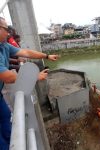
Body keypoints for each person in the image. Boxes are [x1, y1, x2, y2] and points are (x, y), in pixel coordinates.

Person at [0, 17, 59, 150]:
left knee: (6, 122)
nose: (9, 33)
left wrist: (47, 56)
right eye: (6, 29)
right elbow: (7, 77)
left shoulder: (3, 45)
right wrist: (35, 76)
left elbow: (26, 52)